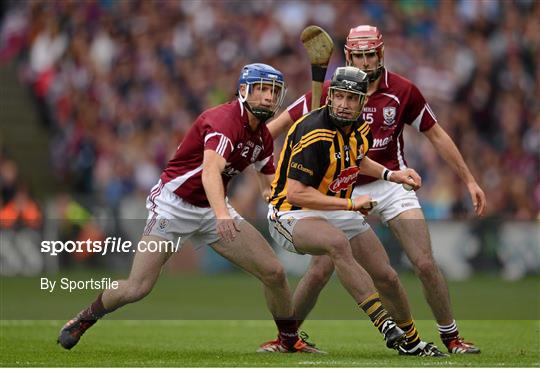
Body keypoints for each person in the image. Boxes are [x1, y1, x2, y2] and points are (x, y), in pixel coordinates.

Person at [57, 63, 322, 354]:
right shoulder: (224, 122)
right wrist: (222, 215)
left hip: (212, 207)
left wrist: (277, 197)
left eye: (273, 92)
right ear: (244, 91)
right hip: (174, 206)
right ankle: (85, 318)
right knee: (138, 287)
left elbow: (266, 179)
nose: (269, 98)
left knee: (274, 272)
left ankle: (287, 341)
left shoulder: (261, 136)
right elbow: (210, 172)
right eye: (262, 90)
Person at [266, 25, 486, 354]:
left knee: (424, 263)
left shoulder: (403, 90)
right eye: (359, 55)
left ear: (380, 54)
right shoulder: (331, 91)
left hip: (389, 181)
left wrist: (469, 179)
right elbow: (278, 127)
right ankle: (287, 337)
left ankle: (450, 336)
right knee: (321, 268)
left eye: (371, 55)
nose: (367, 62)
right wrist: (245, 155)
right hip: (341, 187)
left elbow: (437, 134)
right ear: (348, 57)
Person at [259, 66, 425, 354]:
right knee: (337, 244)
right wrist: (350, 203)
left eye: (352, 99)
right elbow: (297, 192)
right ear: (330, 97)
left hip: (331, 208)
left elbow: (356, 159)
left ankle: (411, 341)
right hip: (290, 213)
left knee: (386, 275)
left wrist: (391, 175)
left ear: (363, 102)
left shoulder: (360, 127)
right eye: (340, 97)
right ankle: (383, 323)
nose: (345, 105)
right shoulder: (313, 132)